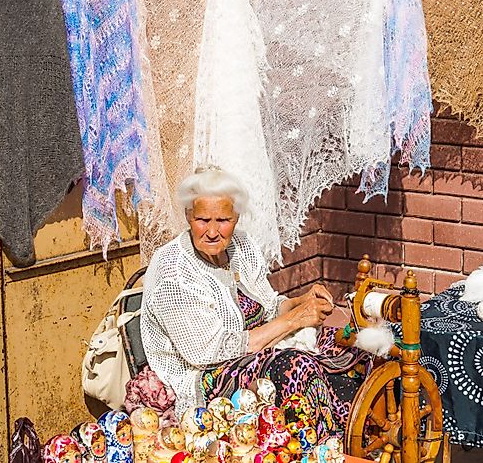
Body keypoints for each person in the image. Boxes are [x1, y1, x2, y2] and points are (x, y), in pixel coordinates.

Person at [140, 167, 370, 436]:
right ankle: (316, 447)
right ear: (188, 216)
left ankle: (352, 438)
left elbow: (269, 306)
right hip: (202, 377)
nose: (213, 231)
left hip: (256, 353)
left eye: (223, 220)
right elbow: (209, 353)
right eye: (203, 220)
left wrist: (301, 302)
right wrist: (295, 319)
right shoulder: (173, 269)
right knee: (296, 367)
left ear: (236, 217)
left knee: (350, 343)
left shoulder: (241, 246)